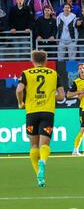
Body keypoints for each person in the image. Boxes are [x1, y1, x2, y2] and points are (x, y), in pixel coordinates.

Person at [16, 50, 65, 187]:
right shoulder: (54, 74)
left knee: (33, 146)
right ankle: (43, 160)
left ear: (33, 60)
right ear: (46, 60)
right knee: (44, 145)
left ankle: (39, 176)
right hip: (47, 112)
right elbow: (61, 96)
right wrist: (50, 96)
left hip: (31, 113)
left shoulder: (26, 74)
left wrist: (20, 103)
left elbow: (19, 90)